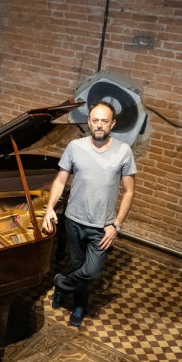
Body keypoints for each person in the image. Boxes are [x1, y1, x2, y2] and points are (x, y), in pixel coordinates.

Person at [41, 101, 136, 327]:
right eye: (95, 120)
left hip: (102, 226)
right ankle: (80, 305)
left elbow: (129, 191)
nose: (99, 125)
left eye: (104, 121)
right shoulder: (75, 147)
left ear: (112, 123)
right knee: (75, 266)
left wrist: (117, 225)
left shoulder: (124, 151)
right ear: (89, 122)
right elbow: (61, 180)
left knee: (92, 271)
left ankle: (60, 284)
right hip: (73, 220)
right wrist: (49, 208)